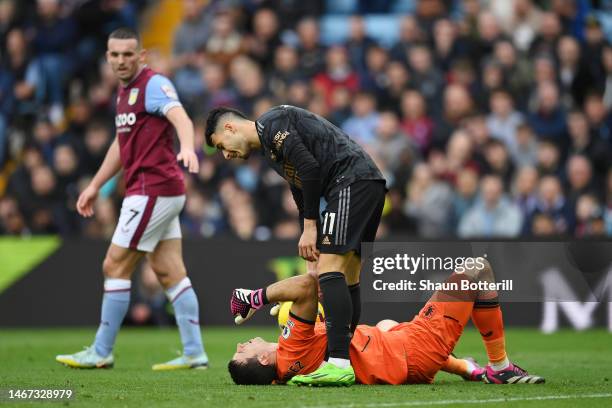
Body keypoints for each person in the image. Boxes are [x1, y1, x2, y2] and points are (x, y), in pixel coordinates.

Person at [55, 27, 208, 370]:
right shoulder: (124, 94)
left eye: (128, 54)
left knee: (114, 265)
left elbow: (180, 116)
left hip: (152, 190)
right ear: (108, 57)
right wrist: (95, 185)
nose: (122, 60)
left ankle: (101, 350)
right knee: (170, 272)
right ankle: (194, 351)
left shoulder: (153, 84)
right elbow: (121, 145)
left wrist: (186, 146)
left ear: (141, 56)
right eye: (115, 54)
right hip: (158, 192)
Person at [206, 105, 386, 386]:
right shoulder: (270, 148)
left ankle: (338, 362)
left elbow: (310, 168)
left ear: (229, 128)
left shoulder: (271, 124)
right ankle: (341, 356)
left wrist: (311, 226)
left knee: (331, 270)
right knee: (347, 275)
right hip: (363, 183)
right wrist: (308, 239)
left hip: (351, 182)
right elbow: (300, 184)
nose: (225, 154)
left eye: (221, 146)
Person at [227, 261, 545, 386]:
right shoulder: (289, 348)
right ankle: (499, 365)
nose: (241, 345)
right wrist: (256, 297)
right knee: (477, 270)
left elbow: (318, 314)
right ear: (263, 359)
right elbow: (306, 288)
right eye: (241, 353)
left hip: (400, 354)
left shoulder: (288, 369)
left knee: (386, 323)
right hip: (414, 349)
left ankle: (468, 369)